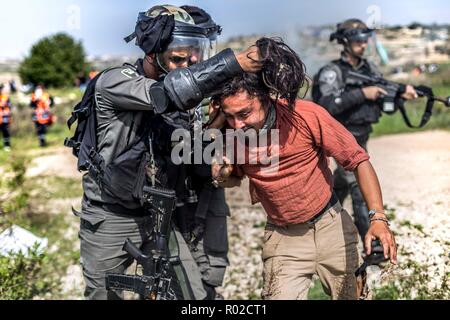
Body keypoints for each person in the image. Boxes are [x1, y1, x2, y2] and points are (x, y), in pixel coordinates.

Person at [69, 4, 261, 300]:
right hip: (112, 215)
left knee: (194, 296)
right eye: (177, 58)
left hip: (162, 215)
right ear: (151, 53)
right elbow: (168, 94)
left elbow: (191, 152)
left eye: (193, 56)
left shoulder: (184, 102)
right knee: (104, 294)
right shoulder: (116, 81)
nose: (188, 64)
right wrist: (237, 62)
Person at [210, 37, 397, 300]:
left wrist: (378, 218)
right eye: (230, 116)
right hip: (283, 237)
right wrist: (222, 174)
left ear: (266, 99)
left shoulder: (306, 116)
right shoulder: (231, 134)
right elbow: (232, 178)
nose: (237, 124)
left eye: (244, 114)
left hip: (330, 227)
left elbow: (358, 160)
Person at [311, 19, 418, 250]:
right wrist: (362, 94)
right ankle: (374, 246)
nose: (363, 43)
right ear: (345, 41)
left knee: (340, 182)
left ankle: (320, 219)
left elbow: (381, 94)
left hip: (362, 135)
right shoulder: (332, 72)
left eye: (365, 38)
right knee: (360, 186)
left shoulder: (370, 69)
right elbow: (325, 104)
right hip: (341, 138)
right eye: (358, 39)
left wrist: (400, 94)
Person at [0, 84, 12, 151]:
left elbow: (9, 105)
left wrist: (5, 105)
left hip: (4, 117)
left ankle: (7, 145)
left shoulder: (6, 97)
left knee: (5, 131)